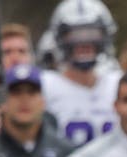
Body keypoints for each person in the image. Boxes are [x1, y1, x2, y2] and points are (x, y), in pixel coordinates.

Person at [41, 0, 121, 146]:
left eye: (92, 33)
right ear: (59, 38)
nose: (84, 42)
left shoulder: (117, 82)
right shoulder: (46, 85)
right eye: (75, 35)